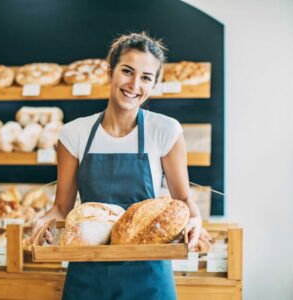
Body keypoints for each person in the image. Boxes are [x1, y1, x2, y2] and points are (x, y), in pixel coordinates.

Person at [32, 32, 202, 300]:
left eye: (146, 77)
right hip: (88, 272)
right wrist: (42, 222)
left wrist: (195, 220)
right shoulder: (74, 134)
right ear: (109, 71)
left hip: (149, 276)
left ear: (153, 84)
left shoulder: (165, 130)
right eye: (127, 71)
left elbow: (182, 200)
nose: (134, 84)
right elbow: (61, 208)